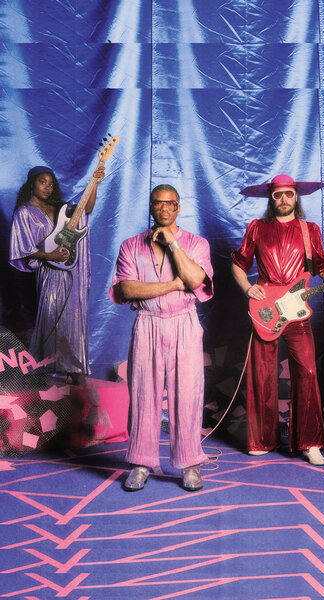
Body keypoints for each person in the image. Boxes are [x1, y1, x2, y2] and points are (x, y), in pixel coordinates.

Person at [231, 174, 324, 466]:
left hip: (298, 313)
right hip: (266, 310)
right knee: (262, 373)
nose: (284, 199)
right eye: (278, 195)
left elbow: (322, 268)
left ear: (296, 197)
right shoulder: (257, 227)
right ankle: (262, 439)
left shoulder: (309, 230)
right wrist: (247, 288)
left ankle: (309, 442)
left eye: (289, 194)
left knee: (307, 371)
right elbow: (238, 264)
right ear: (270, 198)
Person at [110, 184, 213, 492]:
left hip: (184, 323)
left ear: (178, 208)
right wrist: (174, 285)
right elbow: (127, 289)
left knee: (188, 394)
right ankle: (141, 463)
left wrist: (173, 244)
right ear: (151, 207)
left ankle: (189, 463)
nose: (164, 208)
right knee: (143, 394)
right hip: (147, 323)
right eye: (158, 203)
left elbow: (195, 280)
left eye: (170, 204)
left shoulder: (197, 244)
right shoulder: (131, 245)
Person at [9, 165, 105, 383]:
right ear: (31, 183)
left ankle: (75, 370)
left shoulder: (60, 208)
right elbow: (23, 246)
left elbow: (86, 210)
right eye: (42, 182)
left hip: (73, 270)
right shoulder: (24, 212)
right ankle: (44, 367)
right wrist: (49, 256)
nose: (47, 187)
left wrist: (95, 183)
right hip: (50, 272)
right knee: (52, 317)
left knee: (74, 318)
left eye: (51, 184)